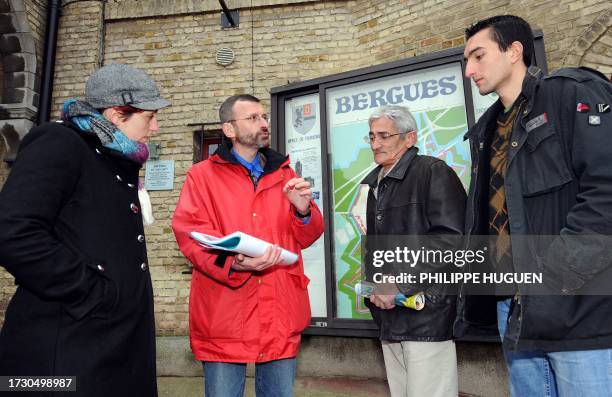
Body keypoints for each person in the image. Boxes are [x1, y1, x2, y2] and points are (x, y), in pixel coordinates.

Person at [458, 15, 612, 396]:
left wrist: (554, 274)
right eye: (466, 60)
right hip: (509, 304)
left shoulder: (571, 93)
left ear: (514, 52)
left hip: (576, 303)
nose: (468, 70)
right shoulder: (486, 130)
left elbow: (605, 193)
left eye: (478, 56)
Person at [0, 63, 169, 396]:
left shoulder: (113, 158)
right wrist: (92, 292)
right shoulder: (59, 142)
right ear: (117, 113)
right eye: (149, 117)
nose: (157, 127)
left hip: (110, 345)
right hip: (66, 347)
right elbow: (12, 231)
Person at [172, 94, 324, 397]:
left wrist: (304, 211)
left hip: (280, 310)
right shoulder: (201, 176)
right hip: (225, 313)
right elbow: (190, 235)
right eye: (253, 118)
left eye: (264, 116)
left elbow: (308, 236)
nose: (264, 123)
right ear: (229, 129)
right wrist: (233, 263)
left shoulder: (285, 173)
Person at [361, 105, 466, 397]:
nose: (375, 144)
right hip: (389, 314)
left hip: (427, 315)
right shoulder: (376, 185)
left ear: (409, 138)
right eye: (371, 137)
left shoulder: (433, 172)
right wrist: (375, 290)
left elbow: (452, 240)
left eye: (384, 135)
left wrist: (399, 282)